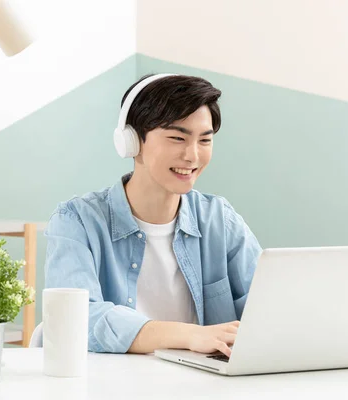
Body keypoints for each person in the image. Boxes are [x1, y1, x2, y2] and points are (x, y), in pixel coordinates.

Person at [44, 73, 262, 357]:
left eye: (204, 141)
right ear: (131, 141)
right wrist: (191, 335)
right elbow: (78, 319)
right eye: (177, 138)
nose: (192, 156)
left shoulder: (219, 219)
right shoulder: (77, 221)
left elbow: (266, 308)